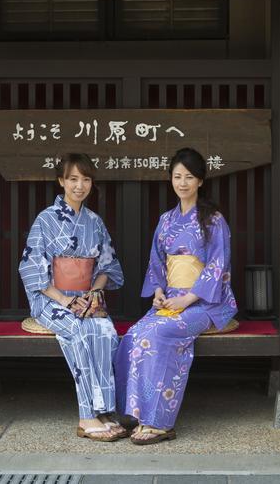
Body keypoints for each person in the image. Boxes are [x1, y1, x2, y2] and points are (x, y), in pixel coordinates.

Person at [114, 147, 237, 445]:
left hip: (204, 303)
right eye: (177, 176)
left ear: (200, 181)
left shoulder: (213, 220)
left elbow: (217, 266)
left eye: (189, 177)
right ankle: (132, 413)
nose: (182, 183)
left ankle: (159, 422)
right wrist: (158, 292)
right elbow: (157, 264)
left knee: (159, 334)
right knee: (133, 336)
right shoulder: (166, 221)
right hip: (171, 299)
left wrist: (187, 299)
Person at [19, 153, 127, 441]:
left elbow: (106, 267)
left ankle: (105, 409)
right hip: (51, 298)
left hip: (85, 298)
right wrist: (64, 300)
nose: (80, 185)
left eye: (86, 179)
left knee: (104, 330)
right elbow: (33, 268)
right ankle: (86, 415)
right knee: (77, 331)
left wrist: (95, 292)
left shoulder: (94, 221)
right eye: (73, 179)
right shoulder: (46, 220)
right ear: (61, 181)